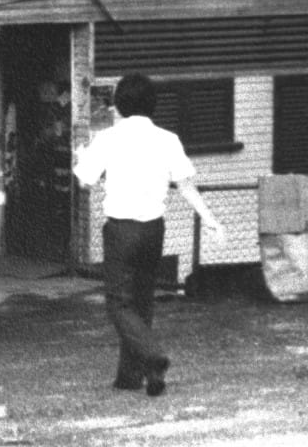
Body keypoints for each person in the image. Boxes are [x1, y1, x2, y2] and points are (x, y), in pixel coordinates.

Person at [73, 73, 226, 397]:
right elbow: (186, 185)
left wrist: (78, 156)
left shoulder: (108, 138)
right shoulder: (168, 139)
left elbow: (85, 180)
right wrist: (209, 219)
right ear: (152, 103)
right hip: (154, 229)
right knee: (142, 302)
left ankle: (153, 357)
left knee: (118, 303)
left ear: (119, 104)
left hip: (120, 228)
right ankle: (133, 377)